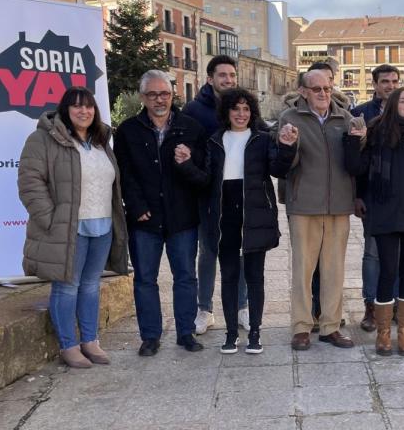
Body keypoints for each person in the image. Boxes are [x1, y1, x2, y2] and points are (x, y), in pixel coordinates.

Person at [18, 87, 129, 368]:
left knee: (91, 286)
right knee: (67, 287)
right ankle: (69, 345)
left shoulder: (101, 140)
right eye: (77, 106)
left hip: (102, 225)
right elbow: (30, 183)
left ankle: (90, 341)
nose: (84, 111)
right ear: (65, 110)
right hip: (69, 228)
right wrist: (52, 220)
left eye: (89, 106)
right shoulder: (43, 139)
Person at [114, 70, 208, 355]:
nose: (159, 99)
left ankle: (186, 333)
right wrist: (137, 205)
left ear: (172, 95)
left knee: (185, 278)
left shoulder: (191, 128)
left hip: (182, 217)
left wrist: (187, 163)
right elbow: (123, 174)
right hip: (144, 219)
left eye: (164, 94)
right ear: (143, 97)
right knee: (145, 279)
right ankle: (150, 336)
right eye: (153, 94)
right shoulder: (128, 130)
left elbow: (203, 175)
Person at [344, 87, 404, 356]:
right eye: (403, 101)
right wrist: (354, 140)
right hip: (385, 211)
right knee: (387, 271)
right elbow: (356, 168)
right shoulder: (375, 132)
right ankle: (384, 333)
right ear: (393, 105)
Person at [201, 89, 290, 354]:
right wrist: (184, 164)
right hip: (224, 214)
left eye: (246, 109)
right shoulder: (215, 141)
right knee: (228, 276)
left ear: (252, 113)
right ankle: (230, 334)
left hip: (255, 214)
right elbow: (204, 178)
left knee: (255, 277)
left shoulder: (261, 140)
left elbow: (278, 169)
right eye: (236, 109)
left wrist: (286, 148)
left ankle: (255, 332)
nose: (241, 114)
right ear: (226, 112)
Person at [274, 69, 357, 351]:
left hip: (338, 207)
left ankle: (330, 327)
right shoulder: (290, 119)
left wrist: (361, 139)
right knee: (303, 270)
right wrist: (288, 144)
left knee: (334, 271)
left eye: (327, 88)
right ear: (303, 92)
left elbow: (354, 161)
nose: (324, 93)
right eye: (317, 89)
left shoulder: (344, 119)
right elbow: (287, 163)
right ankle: (301, 327)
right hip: (304, 206)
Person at [183, 55, 248, 336]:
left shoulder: (243, 107)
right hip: (207, 193)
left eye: (232, 75)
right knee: (208, 252)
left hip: (239, 192)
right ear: (210, 79)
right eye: (222, 75)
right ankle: (205, 310)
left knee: (243, 252)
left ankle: (243, 308)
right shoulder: (194, 110)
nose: (228, 80)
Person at [350, 64, 401, 333]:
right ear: (375, 84)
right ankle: (371, 305)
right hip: (372, 195)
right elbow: (355, 159)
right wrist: (357, 195)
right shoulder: (360, 114)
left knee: (397, 254)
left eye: (394, 81)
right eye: (385, 81)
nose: (390, 86)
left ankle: (392, 304)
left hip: (400, 199)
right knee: (372, 254)